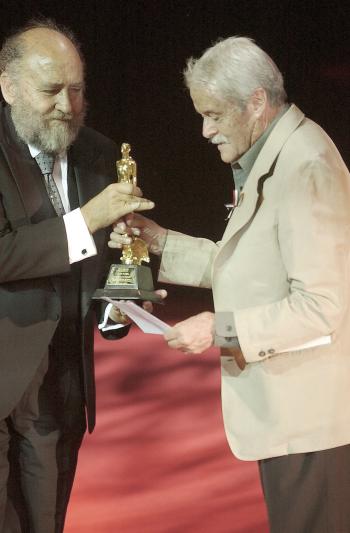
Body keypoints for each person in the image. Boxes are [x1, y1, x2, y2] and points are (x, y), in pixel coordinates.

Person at [110, 37, 350, 532]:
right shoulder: (274, 157)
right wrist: (159, 243)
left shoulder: (306, 167)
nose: (206, 130)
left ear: (257, 102)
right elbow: (251, 267)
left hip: (310, 422)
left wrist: (220, 328)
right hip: (291, 416)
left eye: (215, 115)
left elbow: (323, 306)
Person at [0, 18, 157, 533]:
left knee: (48, 518)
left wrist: (121, 304)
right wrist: (87, 219)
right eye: (51, 91)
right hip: (5, 377)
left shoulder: (100, 152)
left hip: (65, 376)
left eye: (77, 88)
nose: (67, 105)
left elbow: (116, 258)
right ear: (9, 86)